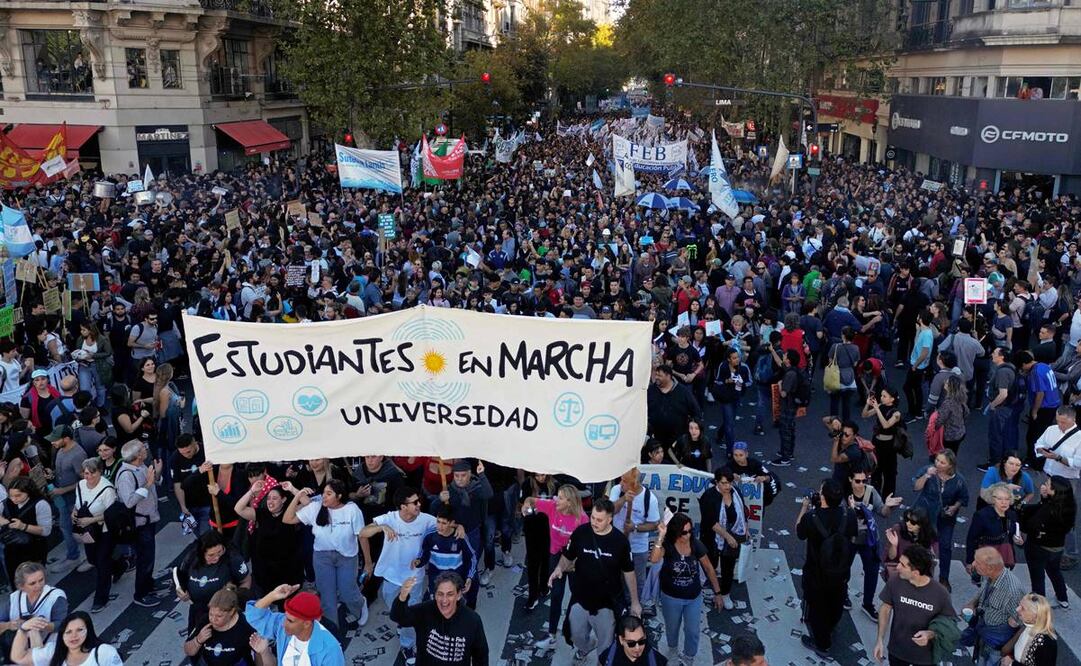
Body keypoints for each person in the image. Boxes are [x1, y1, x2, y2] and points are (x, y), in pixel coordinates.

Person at [548, 497, 640, 665]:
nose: (594, 522)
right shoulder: (581, 532)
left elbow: (629, 572)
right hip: (580, 598)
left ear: (610, 518)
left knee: (605, 645)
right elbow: (568, 557)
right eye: (592, 518)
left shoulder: (620, 542)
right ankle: (586, 647)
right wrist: (559, 569)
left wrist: (635, 602)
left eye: (599, 520)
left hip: (607, 604)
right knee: (575, 635)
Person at [360, 487, 438, 665]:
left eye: (419, 501)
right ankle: (403, 626)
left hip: (414, 578)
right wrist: (381, 527)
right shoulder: (389, 518)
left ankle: (407, 644)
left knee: (409, 614)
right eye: (415, 502)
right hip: (391, 576)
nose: (419, 504)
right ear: (403, 507)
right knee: (395, 610)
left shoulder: (426, 520)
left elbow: (445, 525)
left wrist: (459, 527)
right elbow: (363, 533)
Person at [283, 478, 369, 630]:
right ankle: (332, 631)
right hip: (322, 557)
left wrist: (368, 562)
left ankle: (360, 604)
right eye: (324, 493)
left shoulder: (352, 509)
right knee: (327, 598)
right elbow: (287, 519)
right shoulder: (315, 508)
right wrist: (297, 496)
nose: (324, 496)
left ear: (339, 496)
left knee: (347, 592)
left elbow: (362, 535)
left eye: (329, 493)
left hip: (347, 557)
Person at [520, 483, 587, 647]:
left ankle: (568, 627)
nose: (556, 499)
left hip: (574, 558)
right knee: (556, 595)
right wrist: (526, 505)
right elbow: (531, 499)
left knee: (576, 593)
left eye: (561, 498)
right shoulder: (551, 507)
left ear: (570, 502)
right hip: (556, 555)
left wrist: (574, 563)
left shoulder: (582, 519)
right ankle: (551, 634)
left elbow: (585, 545)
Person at [649, 512, 721, 664]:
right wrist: (661, 536)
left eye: (690, 531)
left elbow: (708, 567)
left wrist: (718, 593)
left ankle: (689, 656)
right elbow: (654, 559)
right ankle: (672, 647)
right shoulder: (668, 545)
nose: (688, 535)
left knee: (693, 631)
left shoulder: (695, 544)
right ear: (675, 532)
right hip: (670, 597)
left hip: (693, 597)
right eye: (684, 532)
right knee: (672, 628)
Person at [795, 479, 856, 657]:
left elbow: (799, 532)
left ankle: (822, 644)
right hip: (842, 570)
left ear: (823, 497)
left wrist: (805, 507)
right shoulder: (849, 515)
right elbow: (852, 535)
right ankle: (831, 626)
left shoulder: (811, 518)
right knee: (837, 601)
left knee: (817, 608)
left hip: (817, 573)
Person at [874, 545, 956, 666]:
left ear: (916, 572)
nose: (897, 567)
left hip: (925, 658)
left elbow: (950, 622)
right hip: (897, 652)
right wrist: (880, 639)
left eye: (902, 565)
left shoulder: (940, 593)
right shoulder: (895, 581)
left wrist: (930, 634)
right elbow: (885, 608)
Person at [389, 572, 489, 666]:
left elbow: (481, 656)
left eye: (450, 594)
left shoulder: (472, 620)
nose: (444, 600)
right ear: (435, 595)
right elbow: (398, 617)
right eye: (440, 594)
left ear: (458, 595)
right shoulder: (425, 610)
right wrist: (402, 597)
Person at [846, 468, 901, 619]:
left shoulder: (871, 492)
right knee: (844, 567)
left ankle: (868, 604)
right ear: (850, 480)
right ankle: (843, 593)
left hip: (869, 538)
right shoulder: (844, 493)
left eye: (864, 481)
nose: (861, 484)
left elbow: (883, 513)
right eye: (858, 481)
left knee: (872, 571)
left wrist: (888, 506)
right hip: (849, 537)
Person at [244, 584, 345, 666]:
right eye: (286, 617)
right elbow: (254, 616)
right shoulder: (282, 624)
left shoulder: (330, 650)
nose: (283, 624)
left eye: (290, 621)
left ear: (306, 623)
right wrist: (272, 596)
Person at [234, 478, 303, 595]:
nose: (270, 501)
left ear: (284, 500)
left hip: (287, 569)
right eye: (268, 498)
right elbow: (238, 509)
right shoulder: (261, 513)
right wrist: (252, 491)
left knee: (285, 605)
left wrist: (292, 489)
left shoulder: (290, 513)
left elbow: (308, 503)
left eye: (275, 498)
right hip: (264, 569)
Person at [114, 439, 162, 607]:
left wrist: (157, 475)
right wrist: (148, 484)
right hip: (139, 523)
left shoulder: (140, 466)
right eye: (143, 448)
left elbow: (153, 484)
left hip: (148, 519)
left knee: (149, 556)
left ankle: (148, 583)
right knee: (144, 558)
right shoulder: (126, 475)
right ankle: (141, 594)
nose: (146, 449)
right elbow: (129, 501)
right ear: (137, 455)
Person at [175, 530, 252, 631]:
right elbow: (181, 577)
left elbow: (246, 581)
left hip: (224, 613)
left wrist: (236, 600)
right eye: (211, 555)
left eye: (220, 552)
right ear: (202, 553)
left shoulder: (233, 558)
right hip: (198, 611)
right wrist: (181, 592)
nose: (216, 558)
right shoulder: (192, 557)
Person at [1033, 404, 1081, 563]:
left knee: (1065, 515)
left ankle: (1069, 554)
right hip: (1049, 476)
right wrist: (1041, 451)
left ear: (1073, 419)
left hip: (1067, 481)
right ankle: (1044, 543)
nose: (1060, 425)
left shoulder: (1079, 437)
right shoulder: (1051, 429)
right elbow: (1038, 444)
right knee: (1044, 509)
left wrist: (1058, 458)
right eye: (1059, 421)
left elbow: (1079, 463)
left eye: (1064, 423)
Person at [912, 450, 967, 587]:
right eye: (937, 460)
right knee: (921, 545)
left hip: (945, 518)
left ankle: (944, 578)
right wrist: (926, 476)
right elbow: (916, 487)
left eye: (942, 462)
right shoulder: (928, 470)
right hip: (925, 514)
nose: (938, 464)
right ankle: (921, 575)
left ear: (950, 465)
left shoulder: (958, 480)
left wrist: (954, 507)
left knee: (945, 546)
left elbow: (963, 498)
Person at [961, 547, 1025, 664]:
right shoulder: (990, 575)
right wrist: (972, 604)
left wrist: (1009, 653)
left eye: (978, 562)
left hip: (997, 647)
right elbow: (982, 594)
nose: (973, 564)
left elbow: (1023, 624)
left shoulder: (1012, 591)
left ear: (990, 568)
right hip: (984, 635)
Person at [1019, 476, 1075, 608]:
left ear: (1054, 491)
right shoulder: (1068, 505)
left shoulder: (1048, 509)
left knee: (1037, 577)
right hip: (1057, 547)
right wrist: (1045, 497)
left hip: (1038, 548)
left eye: (1047, 484)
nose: (1044, 485)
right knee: (1054, 571)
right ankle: (1063, 598)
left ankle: (1039, 606)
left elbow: (1032, 525)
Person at [609, 467, 661, 611]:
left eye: (625, 481)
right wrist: (623, 498)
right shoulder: (617, 490)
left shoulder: (649, 499)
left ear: (635, 484)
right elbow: (610, 510)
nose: (621, 483)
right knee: (615, 578)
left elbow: (654, 524)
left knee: (637, 582)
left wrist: (635, 527)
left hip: (638, 548)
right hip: (616, 545)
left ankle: (635, 609)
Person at [71, 457, 117, 613]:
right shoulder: (81, 485)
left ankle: (101, 598)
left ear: (100, 472)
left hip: (104, 531)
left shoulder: (107, 489)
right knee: (92, 558)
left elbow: (112, 515)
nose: (88, 476)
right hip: (87, 530)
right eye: (85, 473)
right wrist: (74, 513)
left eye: (92, 473)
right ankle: (120, 566)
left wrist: (91, 519)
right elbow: (78, 503)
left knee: (102, 562)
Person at [699, 468, 748, 610]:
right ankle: (704, 587)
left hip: (733, 535)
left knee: (728, 566)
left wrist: (745, 528)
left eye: (729, 483)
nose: (727, 487)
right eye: (724, 483)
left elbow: (742, 513)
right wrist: (727, 537)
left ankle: (725, 593)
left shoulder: (736, 492)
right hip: (712, 537)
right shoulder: (708, 496)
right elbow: (711, 522)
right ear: (716, 482)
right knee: (710, 563)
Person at [183, 586, 268, 666]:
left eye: (219, 616)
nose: (213, 619)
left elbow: (259, 657)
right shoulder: (205, 621)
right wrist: (198, 640)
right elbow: (188, 650)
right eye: (211, 614)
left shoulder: (246, 625)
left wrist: (260, 652)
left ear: (231, 612)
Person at [45, 424, 87, 573]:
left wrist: (62, 489)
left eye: (55, 440)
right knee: (66, 527)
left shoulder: (78, 455)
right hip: (63, 498)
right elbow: (61, 471)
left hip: (75, 499)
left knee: (83, 529)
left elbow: (85, 480)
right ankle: (73, 556)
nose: (52, 443)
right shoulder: (61, 450)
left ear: (67, 439)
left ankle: (90, 557)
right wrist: (53, 474)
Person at [9, 611, 122, 666]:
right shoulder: (53, 651)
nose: (74, 636)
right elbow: (18, 657)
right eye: (68, 632)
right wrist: (22, 630)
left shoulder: (104, 652)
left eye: (79, 630)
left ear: (89, 630)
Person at [413, 505, 476, 602]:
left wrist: (469, 578)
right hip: (435, 581)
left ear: (452, 523)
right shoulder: (430, 535)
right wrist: (418, 562)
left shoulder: (460, 537)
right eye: (438, 521)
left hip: (454, 581)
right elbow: (423, 553)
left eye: (444, 523)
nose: (439, 526)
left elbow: (472, 558)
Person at [0, 562, 68, 645]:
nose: (38, 585)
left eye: (41, 580)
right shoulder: (15, 598)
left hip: (49, 645)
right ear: (21, 586)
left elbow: (62, 624)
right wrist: (9, 625)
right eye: (32, 583)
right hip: (19, 648)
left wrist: (42, 625)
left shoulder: (56, 596)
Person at [0, 478, 53, 585]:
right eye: (11, 495)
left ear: (28, 492)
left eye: (18, 495)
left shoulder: (40, 504)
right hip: (12, 550)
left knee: (33, 582)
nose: (14, 499)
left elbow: (46, 531)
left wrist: (23, 526)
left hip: (34, 549)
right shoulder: (6, 503)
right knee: (17, 582)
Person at [966, 483, 1023, 580]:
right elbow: (972, 538)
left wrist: (1020, 541)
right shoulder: (982, 515)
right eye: (999, 499)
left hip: (1005, 557)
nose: (1004, 502)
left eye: (1007, 499)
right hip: (987, 557)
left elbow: (1015, 535)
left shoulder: (1012, 515)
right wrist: (970, 561)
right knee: (987, 587)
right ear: (992, 499)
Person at [647, 365, 702, 447]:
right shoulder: (650, 390)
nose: (656, 377)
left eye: (660, 375)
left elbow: (696, 412)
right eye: (656, 374)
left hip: (677, 439)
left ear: (668, 376)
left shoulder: (683, 392)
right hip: (655, 438)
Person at [863, 387, 903, 499]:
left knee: (889, 472)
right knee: (875, 470)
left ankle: (888, 497)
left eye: (884, 396)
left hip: (889, 446)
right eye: (881, 395)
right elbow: (864, 415)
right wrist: (867, 404)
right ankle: (875, 496)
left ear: (892, 399)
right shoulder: (880, 406)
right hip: (876, 443)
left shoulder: (896, 413)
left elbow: (886, 425)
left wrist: (877, 408)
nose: (881, 398)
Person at [1000, 593, 1058, 666]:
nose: (1017, 609)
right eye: (1019, 605)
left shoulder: (1047, 642)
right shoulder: (1027, 624)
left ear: (1035, 616)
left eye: (1023, 608)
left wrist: (1012, 664)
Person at [771, 349, 803, 466]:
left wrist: (779, 384)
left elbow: (784, 393)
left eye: (785, 355)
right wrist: (772, 351)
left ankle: (785, 457)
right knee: (790, 428)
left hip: (788, 406)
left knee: (785, 430)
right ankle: (789, 452)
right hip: (793, 405)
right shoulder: (793, 370)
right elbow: (780, 363)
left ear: (788, 360)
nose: (783, 356)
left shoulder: (790, 374)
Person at [600, 614, 669, 665]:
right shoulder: (608, 658)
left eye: (641, 641)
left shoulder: (656, 660)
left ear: (645, 636)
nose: (637, 648)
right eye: (631, 643)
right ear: (621, 640)